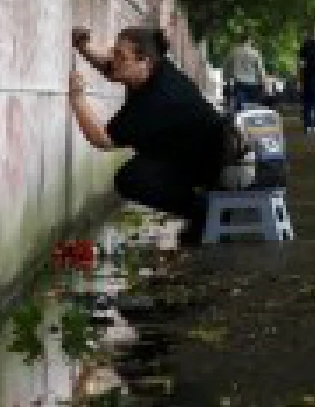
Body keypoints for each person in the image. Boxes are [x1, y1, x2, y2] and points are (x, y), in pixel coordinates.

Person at [69, 25, 227, 246]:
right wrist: (83, 46)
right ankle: (204, 210)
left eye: (120, 56)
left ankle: (204, 211)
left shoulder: (157, 98)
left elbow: (103, 140)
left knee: (131, 179)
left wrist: (77, 99)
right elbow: (110, 68)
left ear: (144, 61)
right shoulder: (156, 69)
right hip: (192, 152)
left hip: (207, 164)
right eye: (114, 52)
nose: (113, 59)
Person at [225, 36, 265, 112]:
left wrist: (227, 79)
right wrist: (262, 83)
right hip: (253, 83)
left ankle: (239, 120)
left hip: (239, 82)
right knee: (252, 106)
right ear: (249, 42)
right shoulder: (255, 53)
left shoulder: (234, 52)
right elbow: (260, 70)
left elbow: (227, 67)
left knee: (240, 106)